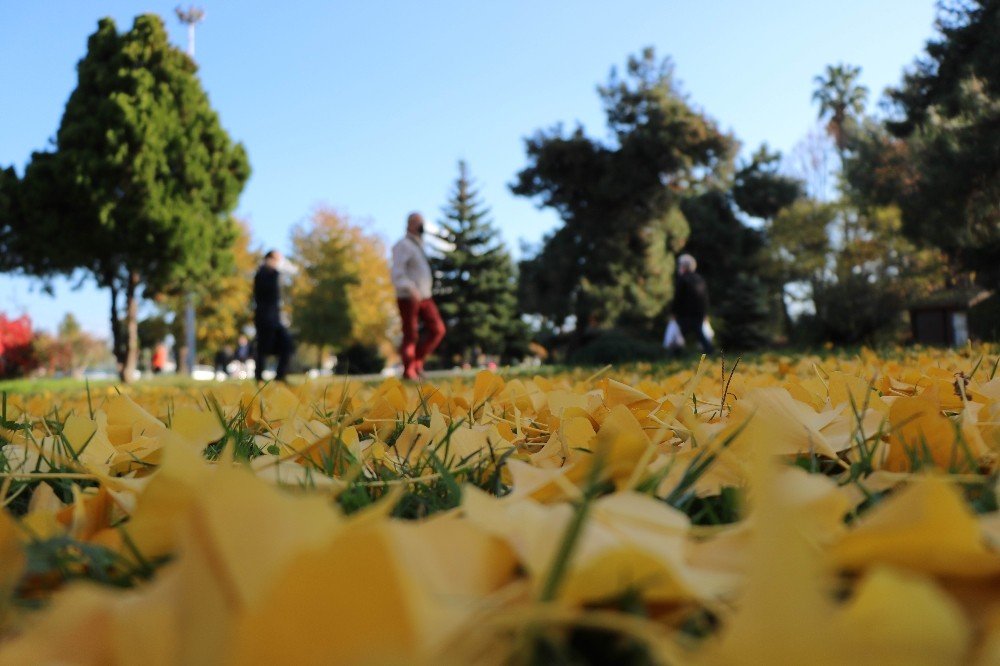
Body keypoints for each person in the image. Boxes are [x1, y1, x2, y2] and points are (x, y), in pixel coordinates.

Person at [391, 212, 446, 380]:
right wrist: (410, 288)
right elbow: (397, 273)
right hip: (409, 296)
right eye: (417, 222)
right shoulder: (403, 245)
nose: (421, 225)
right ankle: (409, 371)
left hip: (425, 296)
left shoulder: (419, 245)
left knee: (438, 329)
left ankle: (417, 362)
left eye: (422, 222)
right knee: (411, 334)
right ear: (409, 224)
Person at [254, 250, 294, 382]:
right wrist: (276, 273)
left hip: (276, 319)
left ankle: (280, 377)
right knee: (263, 347)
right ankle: (259, 377)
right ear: (268, 259)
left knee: (286, 344)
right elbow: (266, 294)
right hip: (265, 318)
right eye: (277, 260)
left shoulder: (274, 275)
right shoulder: (262, 274)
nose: (278, 263)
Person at [670, 253, 714, 355]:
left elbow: (678, 298)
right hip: (698, 314)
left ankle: (675, 355)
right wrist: (705, 313)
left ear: (684, 267)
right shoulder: (699, 279)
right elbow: (705, 298)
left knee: (679, 335)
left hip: (685, 314)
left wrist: (673, 312)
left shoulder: (682, 280)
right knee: (699, 334)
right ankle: (710, 352)